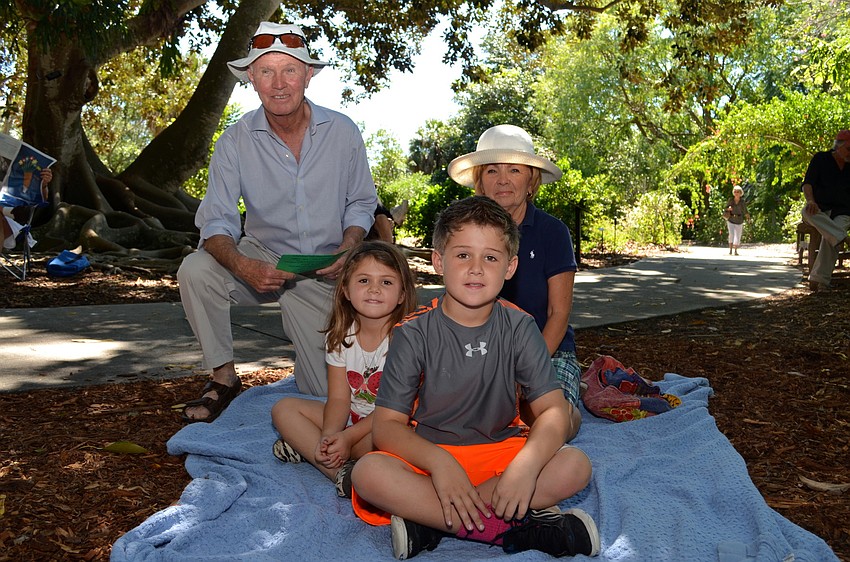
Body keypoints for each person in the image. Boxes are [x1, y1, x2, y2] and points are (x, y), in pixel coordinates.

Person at [350, 196, 599, 560]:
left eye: (491, 258)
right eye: (463, 255)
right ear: (439, 261)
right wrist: (440, 463)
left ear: (510, 267)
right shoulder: (413, 332)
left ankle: (431, 521)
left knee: (576, 465)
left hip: (502, 456)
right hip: (430, 458)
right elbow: (387, 427)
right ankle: (517, 531)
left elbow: (554, 412)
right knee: (369, 472)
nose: (476, 269)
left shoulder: (520, 327)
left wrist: (525, 469)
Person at [177, 22, 378, 422]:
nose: (279, 83)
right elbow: (216, 220)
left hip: (324, 267)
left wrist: (349, 244)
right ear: (251, 79)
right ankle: (223, 378)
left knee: (327, 395)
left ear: (309, 75)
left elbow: (361, 202)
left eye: (290, 70)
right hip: (261, 255)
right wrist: (242, 265)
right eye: (266, 72)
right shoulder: (235, 140)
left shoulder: (342, 131)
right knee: (196, 269)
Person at [447, 125, 582, 431]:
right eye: (493, 170)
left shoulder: (553, 233)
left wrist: (524, 372)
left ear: (531, 181)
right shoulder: (465, 233)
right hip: (480, 351)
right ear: (480, 181)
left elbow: (558, 314)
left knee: (548, 421)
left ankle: (566, 406)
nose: (503, 180)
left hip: (548, 349)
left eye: (515, 170)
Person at [270, 241, 418, 498]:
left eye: (386, 282)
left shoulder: (407, 340)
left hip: (392, 425)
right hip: (353, 418)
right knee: (283, 409)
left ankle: (314, 451)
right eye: (363, 281)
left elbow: (396, 409)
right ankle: (339, 471)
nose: (374, 289)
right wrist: (329, 436)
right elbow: (339, 398)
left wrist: (348, 438)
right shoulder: (340, 336)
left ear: (402, 295)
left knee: (387, 449)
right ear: (346, 291)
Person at [801, 129, 850, 292]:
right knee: (807, 212)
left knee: (832, 236)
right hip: (819, 210)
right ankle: (843, 238)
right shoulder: (820, 158)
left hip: (843, 212)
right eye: (849, 149)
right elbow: (807, 184)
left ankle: (819, 281)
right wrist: (811, 201)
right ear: (838, 146)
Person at [724, 185, 750, 256]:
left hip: (739, 220)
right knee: (731, 234)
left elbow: (745, 211)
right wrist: (728, 209)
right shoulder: (731, 200)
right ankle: (730, 250)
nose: (736, 193)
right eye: (735, 192)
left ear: (740, 193)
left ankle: (735, 250)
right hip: (731, 219)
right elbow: (725, 208)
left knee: (737, 235)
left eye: (738, 192)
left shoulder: (742, 202)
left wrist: (748, 218)